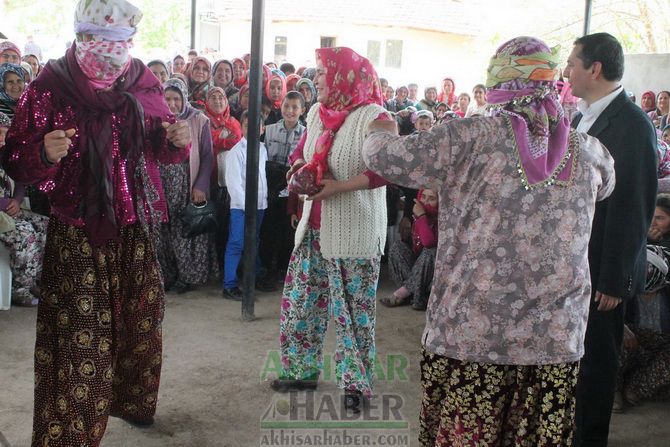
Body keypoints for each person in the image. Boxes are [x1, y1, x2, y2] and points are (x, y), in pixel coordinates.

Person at [363, 35, 615, 447]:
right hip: (554, 337)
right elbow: (608, 187)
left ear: (499, 81)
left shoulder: (468, 137)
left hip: (473, 333)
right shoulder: (589, 151)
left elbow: (386, 158)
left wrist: (379, 127)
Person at [2, 1, 192, 444]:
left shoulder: (141, 79)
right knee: (80, 336)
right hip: (76, 228)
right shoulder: (50, 85)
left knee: (141, 316)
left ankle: (132, 400)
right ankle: (68, 435)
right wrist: (43, 153)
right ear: (82, 38)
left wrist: (176, 141)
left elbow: (160, 147)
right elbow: (13, 158)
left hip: (132, 227)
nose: (113, 52)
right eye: (103, 43)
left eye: (123, 43)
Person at [271, 47, 389, 413]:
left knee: (353, 313)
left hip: (354, 231)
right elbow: (303, 152)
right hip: (313, 227)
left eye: (324, 71)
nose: (317, 77)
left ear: (345, 75)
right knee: (303, 301)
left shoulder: (376, 116)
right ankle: (301, 370)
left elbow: (385, 170)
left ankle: (355, 384)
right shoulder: (317, 114)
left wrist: (339, 187)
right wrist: (297, 165)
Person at [564, 32, 658, 447]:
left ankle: (591, 439)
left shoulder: (632, 124)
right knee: (574, 360)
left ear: (594, 68)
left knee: (598, 363)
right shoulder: (579, 115)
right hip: (575, 262)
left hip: (603, 270)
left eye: (572, 63)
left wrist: (614, 279)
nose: (567, 71)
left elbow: (635, 206)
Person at [155, 78, 217, 294]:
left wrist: (200, 186)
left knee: (184, 231)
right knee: (163, 232)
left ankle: (187, 276)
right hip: (162, 186)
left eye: (176, 99)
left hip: (186, 185)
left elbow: (208, 157)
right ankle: (168, 274)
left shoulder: (199, 120)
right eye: (167, 98)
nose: (171, 104)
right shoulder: (156, 120)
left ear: (184, 99)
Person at [258, 91, 306, 290]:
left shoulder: (306, 134)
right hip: (270, 188)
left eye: (295, 107)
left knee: (289, 232)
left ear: (302, 110)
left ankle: (285, 272)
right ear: (281, 107)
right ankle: (268, 270)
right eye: (287, 106)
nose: (290, 111)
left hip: (293, 190)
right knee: (269, 230)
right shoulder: (268, 130)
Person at [0, 112, 48, 307]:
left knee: (46, 225)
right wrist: (5, 204)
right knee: (25, 234)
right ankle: (19, 290)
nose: (2, 138)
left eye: (5, 133)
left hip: (10, 209)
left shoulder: (7, 155)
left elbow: (20, 179)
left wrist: (17, 200)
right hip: (2, 211)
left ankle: (36, 280)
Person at [222, 111, 268, 300]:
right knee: (237, 243)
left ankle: (254, 275)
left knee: (254, 241)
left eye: (257, 125)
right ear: (241, 127)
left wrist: (263, 201)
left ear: (263, 128)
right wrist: (245, 207)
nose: (253, 128)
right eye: (248, 125)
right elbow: (234, 184)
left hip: (259, 205)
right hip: (242, 208)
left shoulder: (263, 149)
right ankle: (229, 284)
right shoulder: (236, 152)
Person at [385, 188, 437, 310]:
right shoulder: (415, 217)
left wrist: (422, 217)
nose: (425, 202)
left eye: (432, 199)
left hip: (433, 277)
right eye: (423, 197)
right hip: (418, 274)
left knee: (431, 251)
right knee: (397, 247)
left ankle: (406, 292)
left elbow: (428, 242)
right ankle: (414, 295)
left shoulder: (442, 218)